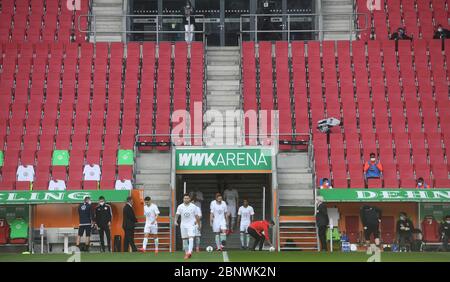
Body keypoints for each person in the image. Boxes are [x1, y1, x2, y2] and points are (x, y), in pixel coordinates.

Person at [175, 193, 200, 259]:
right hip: (183, 225)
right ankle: (187, 253)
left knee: (191, 237)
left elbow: (197, 216)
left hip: (191, 224)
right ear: (183, 199)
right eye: (185, 198)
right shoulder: (180, 206)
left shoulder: (193, 206)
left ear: (189, 199)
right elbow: (177, 214)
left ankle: (189, 252)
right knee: (184, 240)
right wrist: (175, 221)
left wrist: (197, 223)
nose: (186, 199)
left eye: (187, 198)